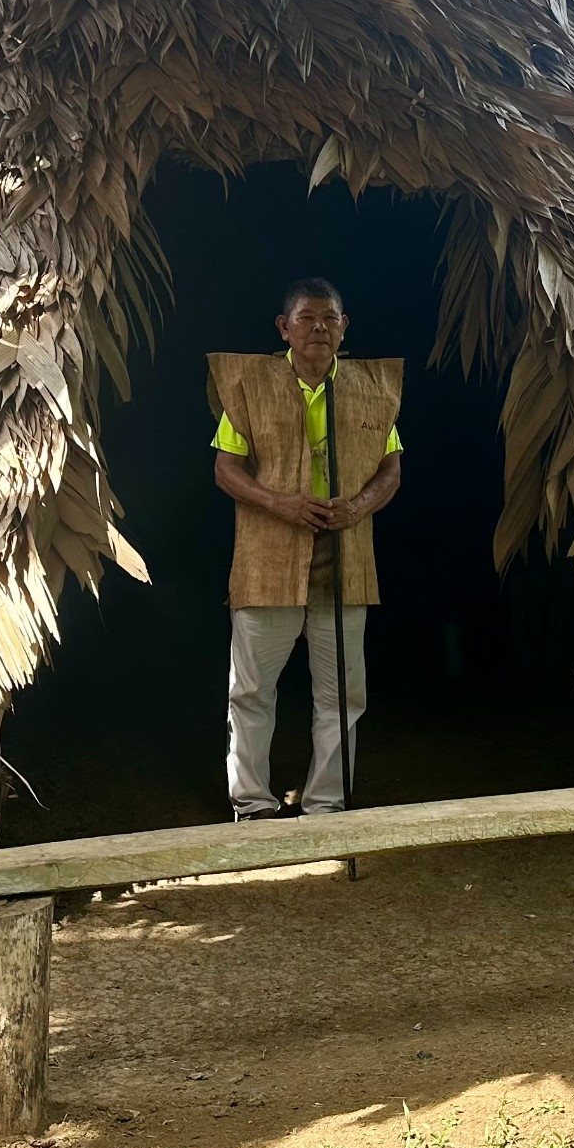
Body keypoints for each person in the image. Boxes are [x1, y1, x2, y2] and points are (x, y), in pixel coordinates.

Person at [208, 279, 404, 820]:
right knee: (251, 692)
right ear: (284, 327)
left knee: (343, 696)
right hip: (269, 558)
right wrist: (281, 504)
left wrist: (359, 505)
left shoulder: (371, 389)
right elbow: (226, 469)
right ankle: (252, 805)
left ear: (345, 327)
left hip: (346, 559)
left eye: (330, 318)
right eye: (307, 318)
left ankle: (326, 804)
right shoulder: (250, 385)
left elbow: (391, 468)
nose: (319, 327)